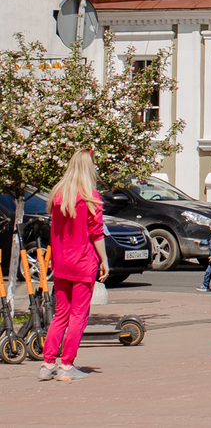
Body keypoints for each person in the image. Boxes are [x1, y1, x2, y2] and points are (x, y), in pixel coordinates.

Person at [38, 148, 107, 382]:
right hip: (83, 262)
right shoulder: (90, 197)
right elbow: (96, 233)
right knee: (79, 315)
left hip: (61, 263)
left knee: (60, 314)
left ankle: (48, 364)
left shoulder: (58, 195)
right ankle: (66, 365)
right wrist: (105, 260)